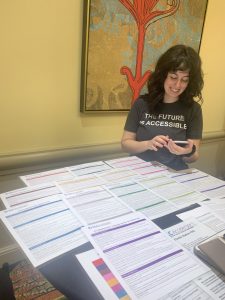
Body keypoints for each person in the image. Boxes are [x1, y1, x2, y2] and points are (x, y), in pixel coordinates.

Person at [121, 44, 204, 170]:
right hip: (140, 171)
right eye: (173, 77)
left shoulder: (193, 109)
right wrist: (147, 144)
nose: (177, 85)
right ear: (163, 75)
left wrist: (187, 152)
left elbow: (194, 156)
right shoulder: (142, 103)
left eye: (184, 80)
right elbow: (125, 144)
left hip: (174, 174)